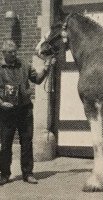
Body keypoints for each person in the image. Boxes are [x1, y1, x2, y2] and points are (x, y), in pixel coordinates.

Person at [0, 39, 56, 185]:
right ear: (3, 53)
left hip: (24, 110)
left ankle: (28, 173)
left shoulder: (24, 64)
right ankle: (4, 174)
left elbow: (37, 79)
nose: (14, 55)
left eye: (15, 52)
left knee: (27, 142)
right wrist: (1, 102)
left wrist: (46, 66)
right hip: (6, 112)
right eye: (10, 53)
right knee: (6, 144)